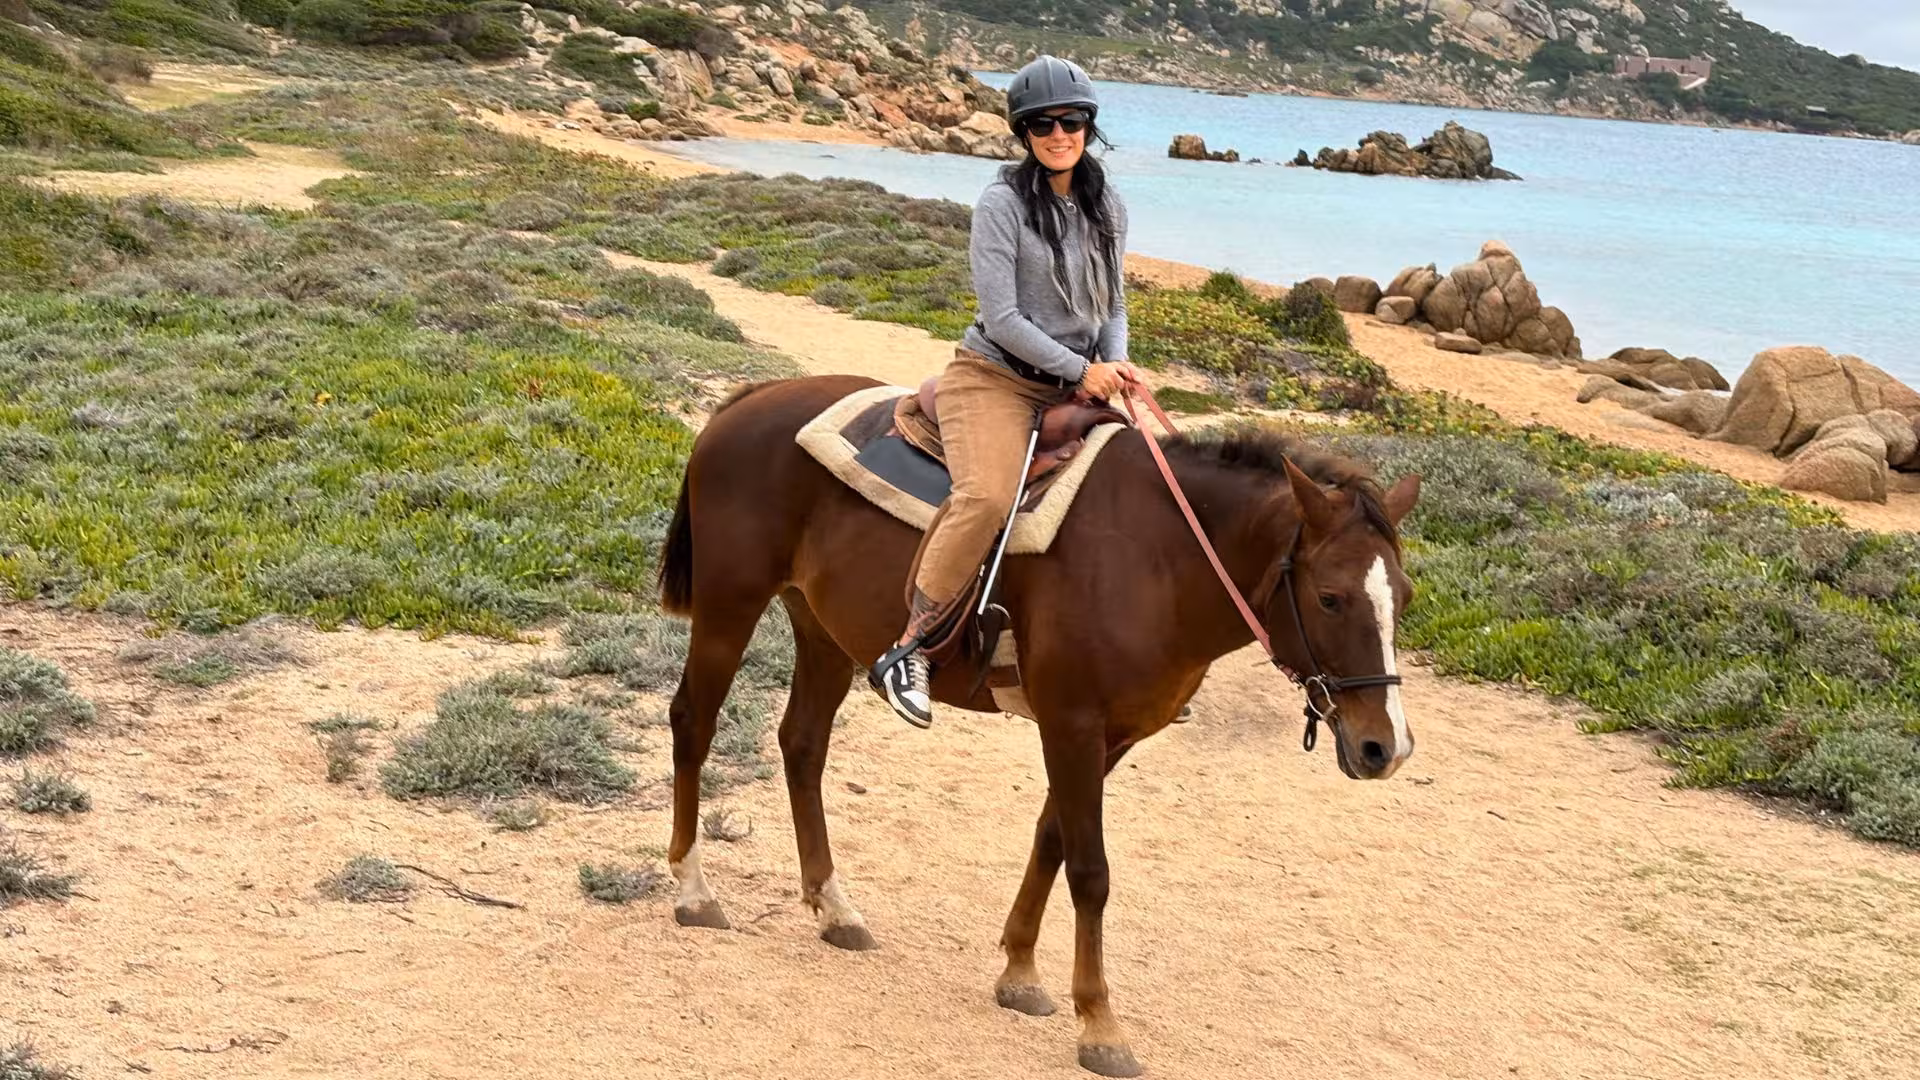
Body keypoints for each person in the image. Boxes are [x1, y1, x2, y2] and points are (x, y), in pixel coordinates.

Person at [869, 54, 1141, 729]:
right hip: (995, 379)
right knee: (986, 496)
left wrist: (1117, 361)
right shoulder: (1001, 205)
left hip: (1077, 382)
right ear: (1024, 133)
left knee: (1143, 488)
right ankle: (909, 649)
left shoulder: (1107, 203)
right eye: (1043, 123)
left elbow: (1113, 304)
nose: (1060, 132)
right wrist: (1082, 373)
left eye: (1072, 120)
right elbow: (1003, 319)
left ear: (1088, 126)